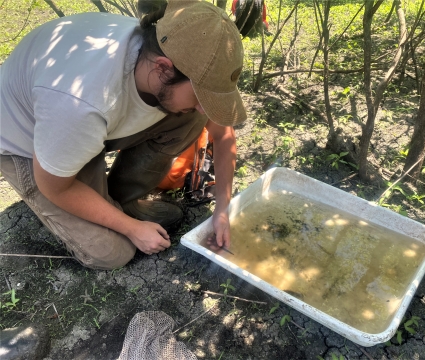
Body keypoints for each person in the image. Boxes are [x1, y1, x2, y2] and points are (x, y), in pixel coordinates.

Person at [0, 0, 246, 270]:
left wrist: (223, 209)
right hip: (28, 144)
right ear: (163, 68)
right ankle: (117, 213)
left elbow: (222, 135)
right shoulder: (81, 102)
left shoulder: (164, 53)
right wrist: (131, 229)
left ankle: (121, 201)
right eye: (202, 95)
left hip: (84, 129)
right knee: (112, 252)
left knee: (193, 116)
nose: (204, 106)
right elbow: (55, 186)